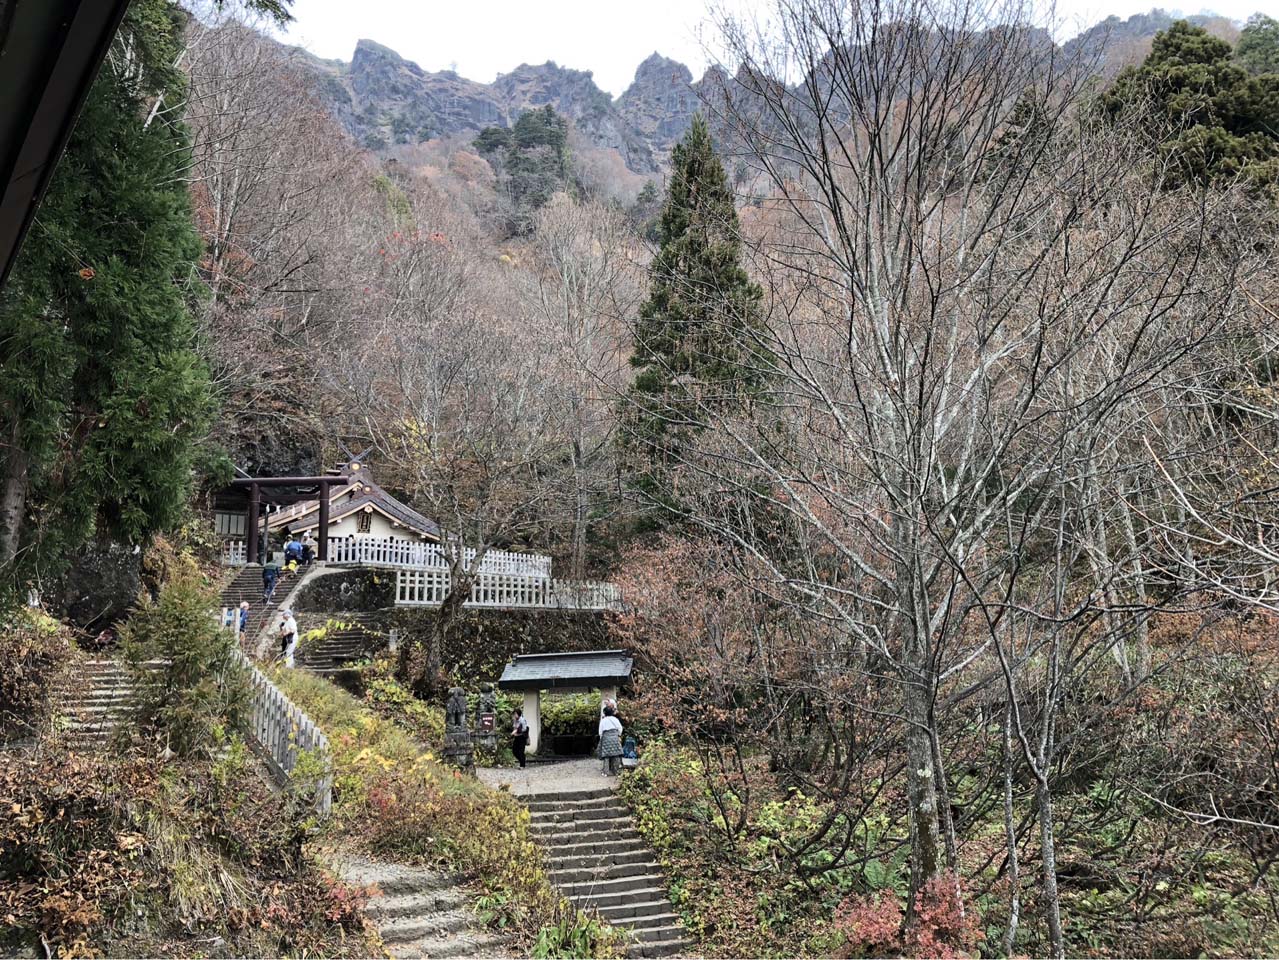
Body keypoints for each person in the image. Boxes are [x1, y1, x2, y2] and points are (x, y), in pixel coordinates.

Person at [599, 705, 624, 776]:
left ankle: (605, 772)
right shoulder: (615, 719)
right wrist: (618, 735)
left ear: (605, 713)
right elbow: (620, 728)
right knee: (616, 755)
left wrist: (601, 738)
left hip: (606, 738)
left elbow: (600, 732)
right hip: (615, 738)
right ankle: (616, 772)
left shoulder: (603, 721)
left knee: (606, 756)